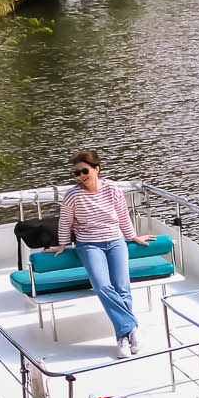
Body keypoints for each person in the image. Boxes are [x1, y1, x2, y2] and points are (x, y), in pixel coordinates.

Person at [58, 149, 154, 358]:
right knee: (102, 286)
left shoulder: (112, 189)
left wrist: (133, 236)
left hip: (116, 241)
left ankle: (124, 337)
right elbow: (65, 221)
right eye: (76, 173)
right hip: (89, 244)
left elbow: (122, 215)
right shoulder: (72, 195)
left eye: (84, 171)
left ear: (96, 169)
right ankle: (130, 328)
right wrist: (63, 244)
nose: (81, 176)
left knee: (122, 286)